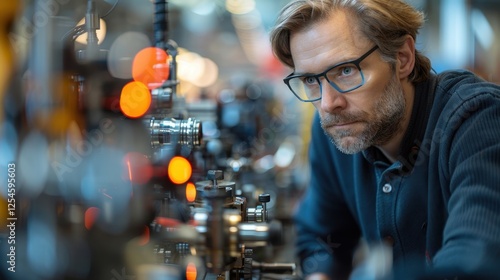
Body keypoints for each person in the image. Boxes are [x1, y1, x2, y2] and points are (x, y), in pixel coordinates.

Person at [269, 0, 500, 279]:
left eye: (346, 71)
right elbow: (321, 239)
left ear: (402, 58)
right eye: (310, 80)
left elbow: (474, 263)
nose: (329, 103)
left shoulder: (478, 119)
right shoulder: (340, 128)